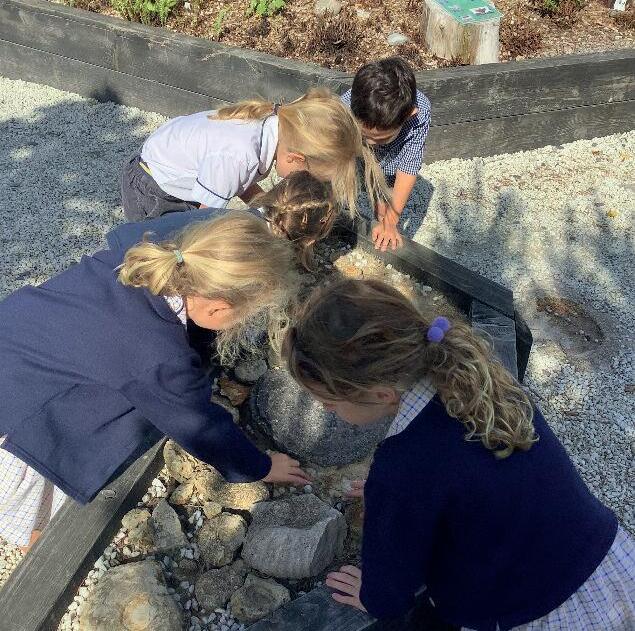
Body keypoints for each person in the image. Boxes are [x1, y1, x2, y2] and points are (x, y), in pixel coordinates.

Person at [282, 278, 634, 630]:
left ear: (381, 394)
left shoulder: (401, 466)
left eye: (328, 402)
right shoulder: (481, 380)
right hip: (609, 565)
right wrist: (404, 499)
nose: (325, 409)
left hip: (538, 612)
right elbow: (474, 478)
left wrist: (372, 591)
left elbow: (390, 595)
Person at [0, 212, 310, 552]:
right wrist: (260, 467)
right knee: (40, 513)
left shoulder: (138, 254)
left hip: (13, 339)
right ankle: (39, 555)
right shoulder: (160, 357)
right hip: (15, 421)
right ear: (219, 309)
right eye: (248, 314)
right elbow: (200, 425)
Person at [121, 88, 389, 222]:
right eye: (307, 177)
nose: (303, 184)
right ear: (296, 159)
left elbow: (242, 183)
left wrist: (268, 211)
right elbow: (201, 224)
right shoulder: (239, 156)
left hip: (169, 169)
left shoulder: (271, 126)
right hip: (153, 190)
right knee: (163, 253)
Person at [112, 171, 336, 271]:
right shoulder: (256, 253)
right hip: (148, 268)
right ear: (309, 235)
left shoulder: (236, 219)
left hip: (128, 245)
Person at [341, 57, 431, 251]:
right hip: (354, 150)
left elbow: (408, 167)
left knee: (386, 198)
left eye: (380, 138)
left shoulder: (420, 113)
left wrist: (390, 222)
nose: (371, 143)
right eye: (367, 136)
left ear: (409, 115)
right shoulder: (345, 106)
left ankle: (382, 217)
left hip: (393, 155)